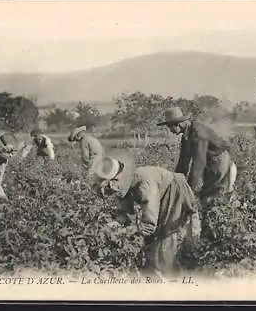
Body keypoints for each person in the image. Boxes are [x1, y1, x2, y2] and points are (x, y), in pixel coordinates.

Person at [90, 150, 201, 278]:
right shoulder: (125, 186)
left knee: (165, 242)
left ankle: (173, 277)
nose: (110, 193)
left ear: (116, 180)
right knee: (153, 244)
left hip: (175, 192)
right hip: (163, 195)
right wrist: (113, 226)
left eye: (109, 189)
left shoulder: (145, 186)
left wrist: (127, 232)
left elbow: (149, 225)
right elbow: (125, 214)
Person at [157, 107, 237, 240]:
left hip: (218, 161)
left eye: (170, 127)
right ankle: (208, 232)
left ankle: (215, 234)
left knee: (212, 196)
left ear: (178, 124)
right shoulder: (186, 136)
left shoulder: (198, 134)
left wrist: (189, 190)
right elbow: (183, 162)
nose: (170, 130)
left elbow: (198, 165)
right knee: (205, 196)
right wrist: (176, 184)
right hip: (209, 162)